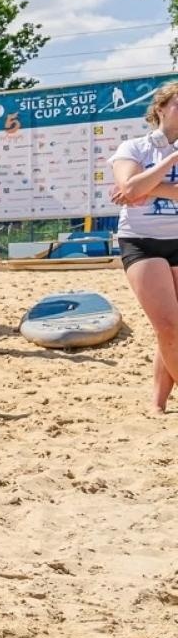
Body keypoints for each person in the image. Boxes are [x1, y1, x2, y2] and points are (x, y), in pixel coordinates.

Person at [109, 80, 178, 413]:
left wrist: (146, 186)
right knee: (167, 325)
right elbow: (128, 188)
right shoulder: (134, 147)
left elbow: (136, 190)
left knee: (172, 329)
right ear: (161, 108)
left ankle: (158, 403)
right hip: (141, 240)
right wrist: (171, 159)